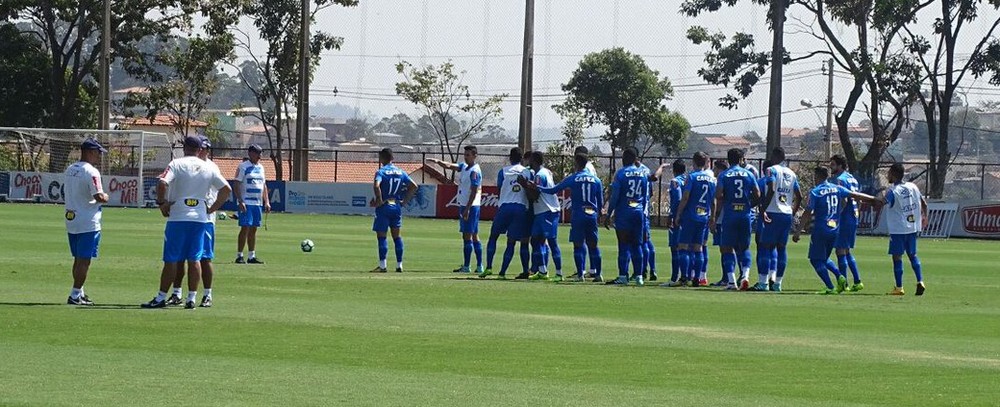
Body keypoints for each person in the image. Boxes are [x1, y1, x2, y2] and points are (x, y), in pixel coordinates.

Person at [143, 136, 231, 309]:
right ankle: (191, 297)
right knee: (195, 258)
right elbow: (226, 189)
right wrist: (213, 208)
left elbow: (162, 182)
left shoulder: (176, 164)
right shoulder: (208, 167)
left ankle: (161, 296)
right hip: (199, 217)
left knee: (172, 259)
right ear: (199, 150)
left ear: (184, 148)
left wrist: (162, 203)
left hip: (179, 216)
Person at [793, 166, 876, 294]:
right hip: (835, 230)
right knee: (824, 258)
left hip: (820, 229)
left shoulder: (815, 192)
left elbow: (807, 213)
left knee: (815, 260)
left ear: (817, 177)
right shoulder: (837, 188)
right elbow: (856, 195)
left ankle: (831, 286)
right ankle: (840, 277)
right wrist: (874, 199)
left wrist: (798, 231)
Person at [527, 153, 604, 282]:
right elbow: (600, 201)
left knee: (578, 245)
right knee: (594, 245)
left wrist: (537, 187)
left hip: (579, 214)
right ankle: (598, 275)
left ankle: (580, 275)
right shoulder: (596, 180)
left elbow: (553, 190)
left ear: (577, 163)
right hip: (592, 215)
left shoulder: (573, 178)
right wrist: (600, 215)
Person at [166, 136, 222, 307]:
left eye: (206, 148)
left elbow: (223, 189)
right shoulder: (185, 165)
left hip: (205, 220)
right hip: (185, 216)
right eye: (202, 147)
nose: (203, 150)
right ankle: (177, 293)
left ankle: (207, 294)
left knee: (204, 258)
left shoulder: (211, 167)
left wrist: (212, 209)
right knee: (180, 258)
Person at [63, 139, 110, 305]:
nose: (99, 156)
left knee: (77, 258)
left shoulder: (70, 169)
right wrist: (106, 197)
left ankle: (79, 292)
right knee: (84, 260)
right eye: (98, 153)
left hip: (71, 218)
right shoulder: (92, 172)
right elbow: (98, 196)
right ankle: (75, 294)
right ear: (90, 152)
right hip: (88, 220)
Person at [873, 163, 928, 296]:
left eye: (889, 173)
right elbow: (924, 203)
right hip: (913, 227)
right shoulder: (913, 186)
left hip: (898, 229)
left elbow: (881, 203)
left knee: (897, 257)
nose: (887, 175)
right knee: (912, 255)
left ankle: (899, 287)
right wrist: (925, 217)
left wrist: (872, 199)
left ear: (894, 174)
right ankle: (920, 281)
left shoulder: (893, 191)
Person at [427, 145, 483, 273]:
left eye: (468, 155)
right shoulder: (465, 167)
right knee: (473, 235)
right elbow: (450, 166)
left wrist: (467, 209)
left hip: (471, 206)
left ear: (475, 156)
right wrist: (438, 162)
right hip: (466, 205)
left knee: (467, 236)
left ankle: (467, 266)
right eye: (465, 154)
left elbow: (474, 191)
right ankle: (479, 266)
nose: (466, 157)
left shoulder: (474, 171)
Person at [712, 149, 760, 290]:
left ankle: (732, 281)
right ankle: (745, 275)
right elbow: (758, 194)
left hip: (730, 215)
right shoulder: (749, 174)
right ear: (740, 160)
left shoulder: (724, 175)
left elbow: (719, 196)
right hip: (745, 215)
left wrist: (714, 217)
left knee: (727, 248)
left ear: (728, 160)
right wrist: (748, 205)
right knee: (744, 247)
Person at [755, 147, 802, 292]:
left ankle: (763, 283)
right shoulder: (791, 173)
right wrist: (793, 211)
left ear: (774, 156)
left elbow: (772, 188)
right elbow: (799, 196)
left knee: (764, 246)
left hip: (772, 212)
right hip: (786, 214)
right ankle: (778, 284)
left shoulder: (771, 170)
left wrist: (763, 209)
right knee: (781, 248)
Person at [481, 148, 532, 279]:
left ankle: (489, 267)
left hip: (505, 207)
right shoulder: (527, 172)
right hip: (520, 208)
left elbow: (499, 188)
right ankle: (502, 273)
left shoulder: (502, 171)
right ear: (521, 159)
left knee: (493, 237)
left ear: (510, 158)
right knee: (512, 242)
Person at [605, 147, 649, 286]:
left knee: (623, 245)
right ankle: (639, 276)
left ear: (625, 158)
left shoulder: (621, 173)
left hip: (624, 212)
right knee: (637, 245)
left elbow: (615, 196)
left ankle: (623, 276)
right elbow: (645, 195)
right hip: (638, 212)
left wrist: (608, 213)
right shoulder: (642, 174)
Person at [673, 152, 716, 287]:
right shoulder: (711, 179)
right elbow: (714, 201)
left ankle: (685, 277)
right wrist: (712, 217)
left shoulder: (692, 177)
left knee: (683, 246)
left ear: (694, 162)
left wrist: (678, 213)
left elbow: (685, 197)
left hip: (691, 216)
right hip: (704, 217)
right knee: (698, 248)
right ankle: (697, 278)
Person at [371, 148, 418, 273]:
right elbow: (414, 186)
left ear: (381, 158)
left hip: (384, 206)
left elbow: (376, 186)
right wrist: (405, 201)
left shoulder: (381, 172)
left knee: (382, 237)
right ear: (392, 158)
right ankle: (399, 265)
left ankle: (382, 266)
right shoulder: (400, 172)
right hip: (396, 206)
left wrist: (379, 199)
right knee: (397, 237)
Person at [525, 151, 564, 281]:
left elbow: (535, 195)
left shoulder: (539, 175)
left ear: (533, 161)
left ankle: (559, 273)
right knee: (535, 240)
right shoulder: (546, 171)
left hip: (548, 211)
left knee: (551, 241)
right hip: (541, 211)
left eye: (530, 159)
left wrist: (524, 185)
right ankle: (542, 271)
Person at [830, 154, 864, 291]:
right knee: (847, 251)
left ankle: (843, 284)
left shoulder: (839, 180)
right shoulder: (853, 179)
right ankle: (857, 281)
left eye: (832, 164)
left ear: (840, 166)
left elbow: (843, 201)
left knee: (839, 251)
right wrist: (856, 213)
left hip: (844, 218)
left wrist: (836, 215)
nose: (831, 167)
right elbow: (859, 199)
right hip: (853, 216)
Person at [234, 144, 270, 264]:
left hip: (257, 203)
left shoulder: (261, 168)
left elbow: (264, 185)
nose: (260, 156)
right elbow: (237, 184)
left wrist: (267, 201)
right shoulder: (243, 167)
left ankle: (251, 256)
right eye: (257, 153)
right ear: (250, 153)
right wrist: (240, 200)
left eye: (261, 153)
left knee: (254, 229)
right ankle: (239, 255)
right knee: (245, 228)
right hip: (246, 203)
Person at [656, 159, 686, 286]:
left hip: (678, 217)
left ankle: (675, 278)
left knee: (675, 247)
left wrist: (672, 215)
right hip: (689, 217)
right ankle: (687, 276)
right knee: (688, 248)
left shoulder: (675, 181)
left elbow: (677, 199)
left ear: (674, 170)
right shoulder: (689, 179)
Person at [575, 145, 600, 279]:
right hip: (592, 209)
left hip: (584, 208)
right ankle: (592, 269)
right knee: (590, 241)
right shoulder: (591, 168)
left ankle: (585, 269)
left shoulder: (585, 169)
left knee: (583, 241)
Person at [708, 159, 730, 287]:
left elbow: (718, 201)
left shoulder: (722, 179)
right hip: (734, 216)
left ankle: (726, 278)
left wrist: (714, 218)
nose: (713, 171)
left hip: (723, 219)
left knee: (724, 249)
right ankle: (733, 277)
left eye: (715, 169)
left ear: (720, 169)